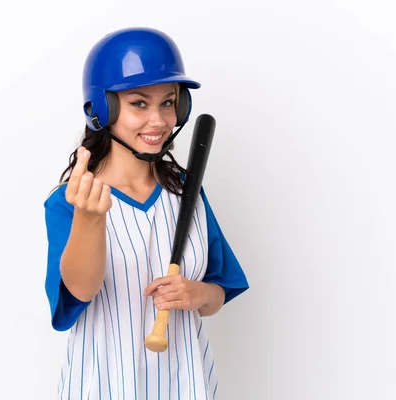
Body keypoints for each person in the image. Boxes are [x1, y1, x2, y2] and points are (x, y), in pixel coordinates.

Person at [43, 27, 249, 400]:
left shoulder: (188, 193)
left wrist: (196, 292)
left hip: (187, 385)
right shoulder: (71, 201)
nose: (158, 120)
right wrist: (90, 218)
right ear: (104, 108)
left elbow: (218, 293)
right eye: (140, 103)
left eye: (168, 103)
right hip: (104, 387)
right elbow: (80, 291)